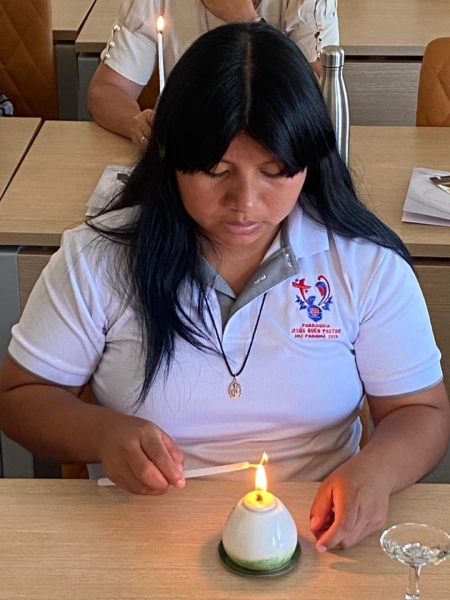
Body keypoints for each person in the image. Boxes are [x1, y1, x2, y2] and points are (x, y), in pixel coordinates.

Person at [1, 23, 449, 553]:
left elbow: (421, 411)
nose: (246, 203)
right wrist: (101, 433)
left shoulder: (364, 266)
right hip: (139, 535)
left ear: (309, 163)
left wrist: (378, 470)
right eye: (216, 171)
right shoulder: (100, 259)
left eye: (275, 172)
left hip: (316, 532)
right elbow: (19, 397)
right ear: (170, 156)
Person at [88, 0, 339, 146]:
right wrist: (135, 124)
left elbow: (321, 95)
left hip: (276, 148)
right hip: (191, 153)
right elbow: (107, 90)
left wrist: (246, 19)